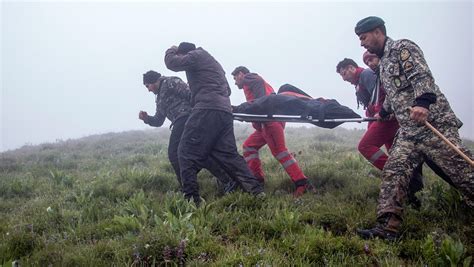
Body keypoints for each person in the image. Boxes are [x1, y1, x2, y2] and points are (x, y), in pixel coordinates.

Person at [353, 16, 473, 240]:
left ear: (378, 32)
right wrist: (385, 112)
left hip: (432, 125)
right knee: (394, 172)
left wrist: (423, 103)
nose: (362, 43)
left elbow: (421, 76)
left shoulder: (402, 48)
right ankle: (387, 228)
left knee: (462, 173)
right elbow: (396, 93)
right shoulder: (384, 63)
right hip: (409, 132)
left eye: (364, 37)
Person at [164, 42, 264, 204]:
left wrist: (171, 50)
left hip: (206, 109)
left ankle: (191, 199)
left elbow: (172, 63)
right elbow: (228, 90)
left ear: (185, 54)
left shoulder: (196, 55)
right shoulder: (213, 63)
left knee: (185, 152)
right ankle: (256, 191)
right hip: (223, 112)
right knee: (229, 155)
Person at [139, 70, 237, 195]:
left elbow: (191, 95)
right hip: (180, 122)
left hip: (188, 118)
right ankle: (225, 180)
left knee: (174, 153)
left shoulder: (171, 82)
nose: (148, 90)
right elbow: (158, 120)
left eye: (148, 86)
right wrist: (146, 118)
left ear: (153, 81)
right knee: (198, 154)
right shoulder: (159, 98)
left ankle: (187, 188)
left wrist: (202, 114)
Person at [231, 66, 312, 197]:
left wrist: (238, 109)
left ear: (241, 74)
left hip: (270, 123)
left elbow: (261, 103)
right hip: (265, 124)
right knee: (249, 146)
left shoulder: (250, 78)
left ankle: (302, 183)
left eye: (235, 78)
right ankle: (257, 180)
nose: (235, 83)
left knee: (280, 153)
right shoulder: (252, 83)